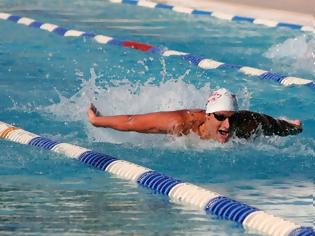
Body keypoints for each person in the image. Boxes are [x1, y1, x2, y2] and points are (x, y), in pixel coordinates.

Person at [87, 88, 302, 143]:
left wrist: (293, 127)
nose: (227, 124)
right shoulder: (182, 123)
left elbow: (273, 125)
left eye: (231, 117)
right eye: (220, 117)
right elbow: (132, 122)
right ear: (208, 115)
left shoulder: (244, 122)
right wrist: (97, 121)